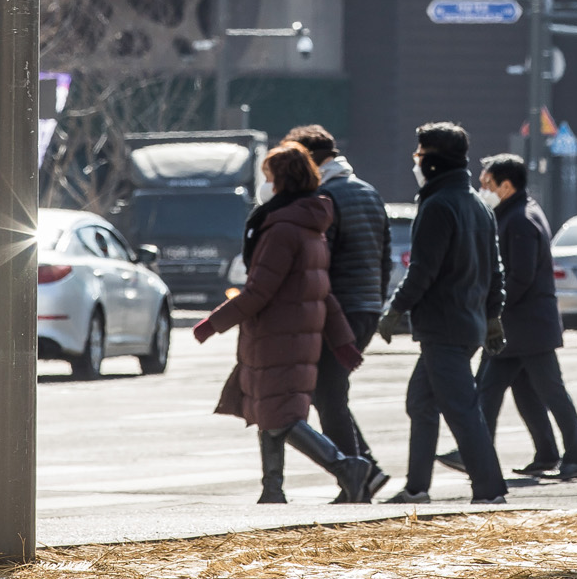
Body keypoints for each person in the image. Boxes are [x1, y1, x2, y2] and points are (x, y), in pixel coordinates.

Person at [193, 142, 380, 505]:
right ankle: (272, 489)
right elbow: (323, 291)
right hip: (291, 332)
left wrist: (211, 324)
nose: (264, 185)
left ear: (282, 180)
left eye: (268, 177)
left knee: (280, 416)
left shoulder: (282, 228)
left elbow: (259, 291)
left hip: (279, 333)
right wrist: (342, 340)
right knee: (269, 409)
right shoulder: (310, 225)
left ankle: (346, 467)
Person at [378, 122, 509, 505]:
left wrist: (394, 309)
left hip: (444, 326)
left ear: (433, 161)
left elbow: (423, 271)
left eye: (420, 154)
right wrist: (492, 317)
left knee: (462, 410)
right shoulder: (476, 205)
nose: (416, 161)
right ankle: (417, 488)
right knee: (421, 402)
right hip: (466, 324)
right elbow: (495, 270)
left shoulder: (438, 205)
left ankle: (489, 491)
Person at [282, 123, 392, 501]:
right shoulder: (369, 191)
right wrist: (376, 300)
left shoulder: (325, 197)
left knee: (328, 395)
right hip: (367, 307)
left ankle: (357, 478)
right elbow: (384, 256)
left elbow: (318, 261)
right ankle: (365, 471)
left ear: (309, 159)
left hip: (338, 311)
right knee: (330, 392)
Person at [471, 154, 577, 478]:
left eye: (487, 184)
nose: (482, 189)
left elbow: (520, 277)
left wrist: (493, 308)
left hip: (528, 327)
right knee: (518, 393)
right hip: (518, 327)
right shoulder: (514, 213)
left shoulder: (521, 220)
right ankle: (545, 454)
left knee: (546, 392)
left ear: (506, 186)